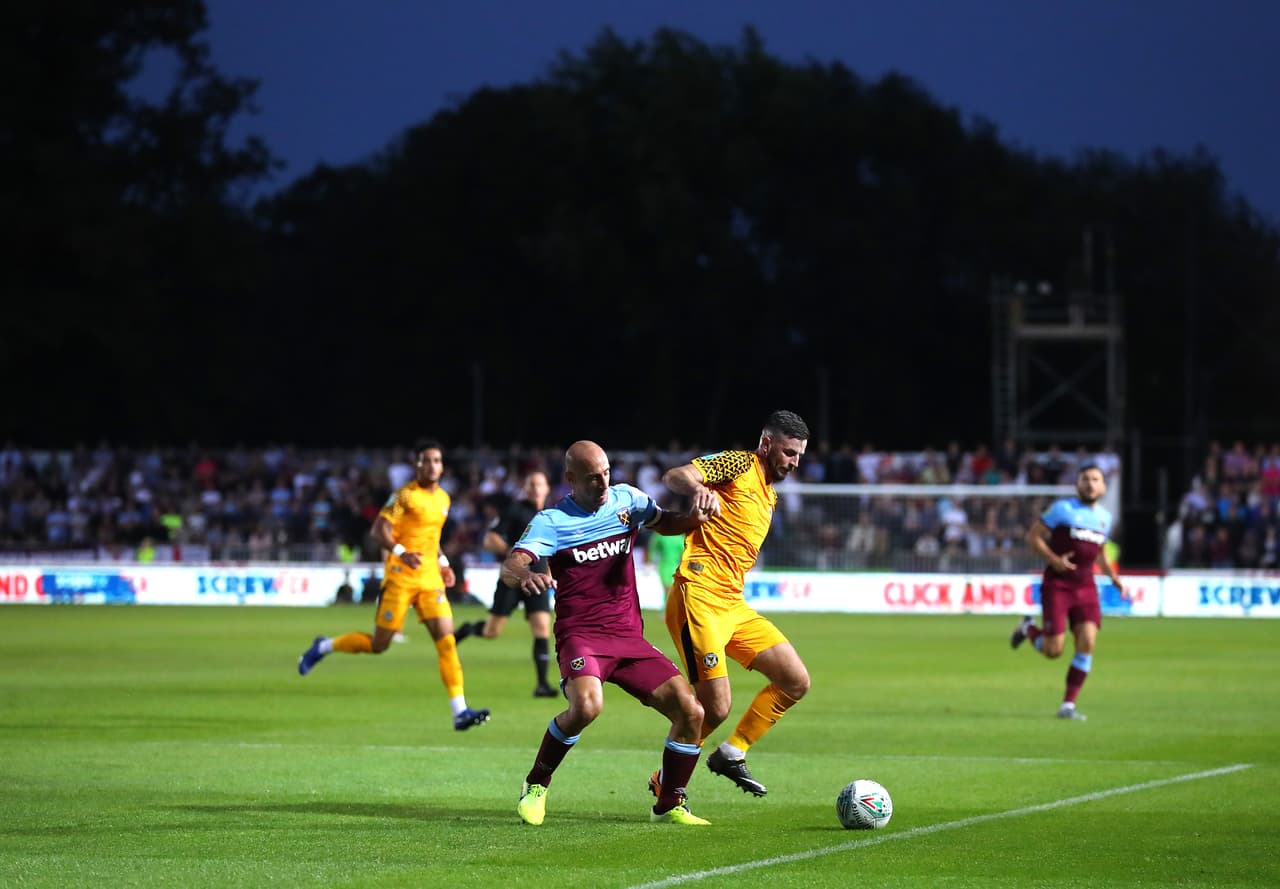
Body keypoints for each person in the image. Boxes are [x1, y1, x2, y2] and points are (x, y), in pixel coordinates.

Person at [504, 440, 712, 826]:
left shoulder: (627, 499)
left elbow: (662, 520)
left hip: (628, 636)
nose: (602, 483)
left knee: (691, 711)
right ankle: (536, 784)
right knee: (586, 707)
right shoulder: (552, 521)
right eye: (592, 478)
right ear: (570, 479)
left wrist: (693, 520)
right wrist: (525, 575)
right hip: (581, 634)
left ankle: (669, 803)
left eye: (605, 474)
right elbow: (511, 564)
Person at [656, 409, 812, 798]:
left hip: (732, 604)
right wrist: (697, 489)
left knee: (794, 681)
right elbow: (676, 475)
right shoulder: (740, 463)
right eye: (789, 453)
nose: (793, 463)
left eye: (799, 456)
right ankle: (667, 782)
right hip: (699, 596)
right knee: (716, 706)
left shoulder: (769, 494)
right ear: (766, 443)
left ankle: (731, 752)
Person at [297, 439, 490, 731]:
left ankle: (459, 711)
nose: (432, 465)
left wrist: (444, 563)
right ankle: (324, 646)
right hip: (400, 577)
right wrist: (401, 553)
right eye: (426, 460)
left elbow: (431, 539)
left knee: (447, 640)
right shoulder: (404, 496)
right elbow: (379, 530)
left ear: (442, 465)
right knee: (379, 644)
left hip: (429, 579)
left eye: (437, 460)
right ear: (417, 464)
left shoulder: (444, 499)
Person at [1011, 463, 1127, 720]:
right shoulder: (1062, 509)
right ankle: (1028, 628)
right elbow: (1033, 537)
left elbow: (1100, 554)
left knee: (1087, 642)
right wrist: (1054, 560)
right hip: (1058, 585)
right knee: (1053, 650)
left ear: (1103, 486)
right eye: (1085, 479)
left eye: (1095, 479)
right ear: (1077, 484)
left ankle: (1068, 706)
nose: (1090, 483)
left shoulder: (1104, 519)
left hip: (1085, 587)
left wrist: (1114, 578)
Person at [454, 470, 559, 697]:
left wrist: (551, 575)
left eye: (539, 484)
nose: (535, 488)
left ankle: (542, 684)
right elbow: (490, 539)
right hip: (513, 578)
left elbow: (552, 551)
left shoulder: (553, 515)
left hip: (538, 578)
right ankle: (468, 629)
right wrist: (513, 554)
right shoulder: (514, 509)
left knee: (542, 627)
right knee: (492, 631)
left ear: (547, 488)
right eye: (531, 484)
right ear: (526, 487)